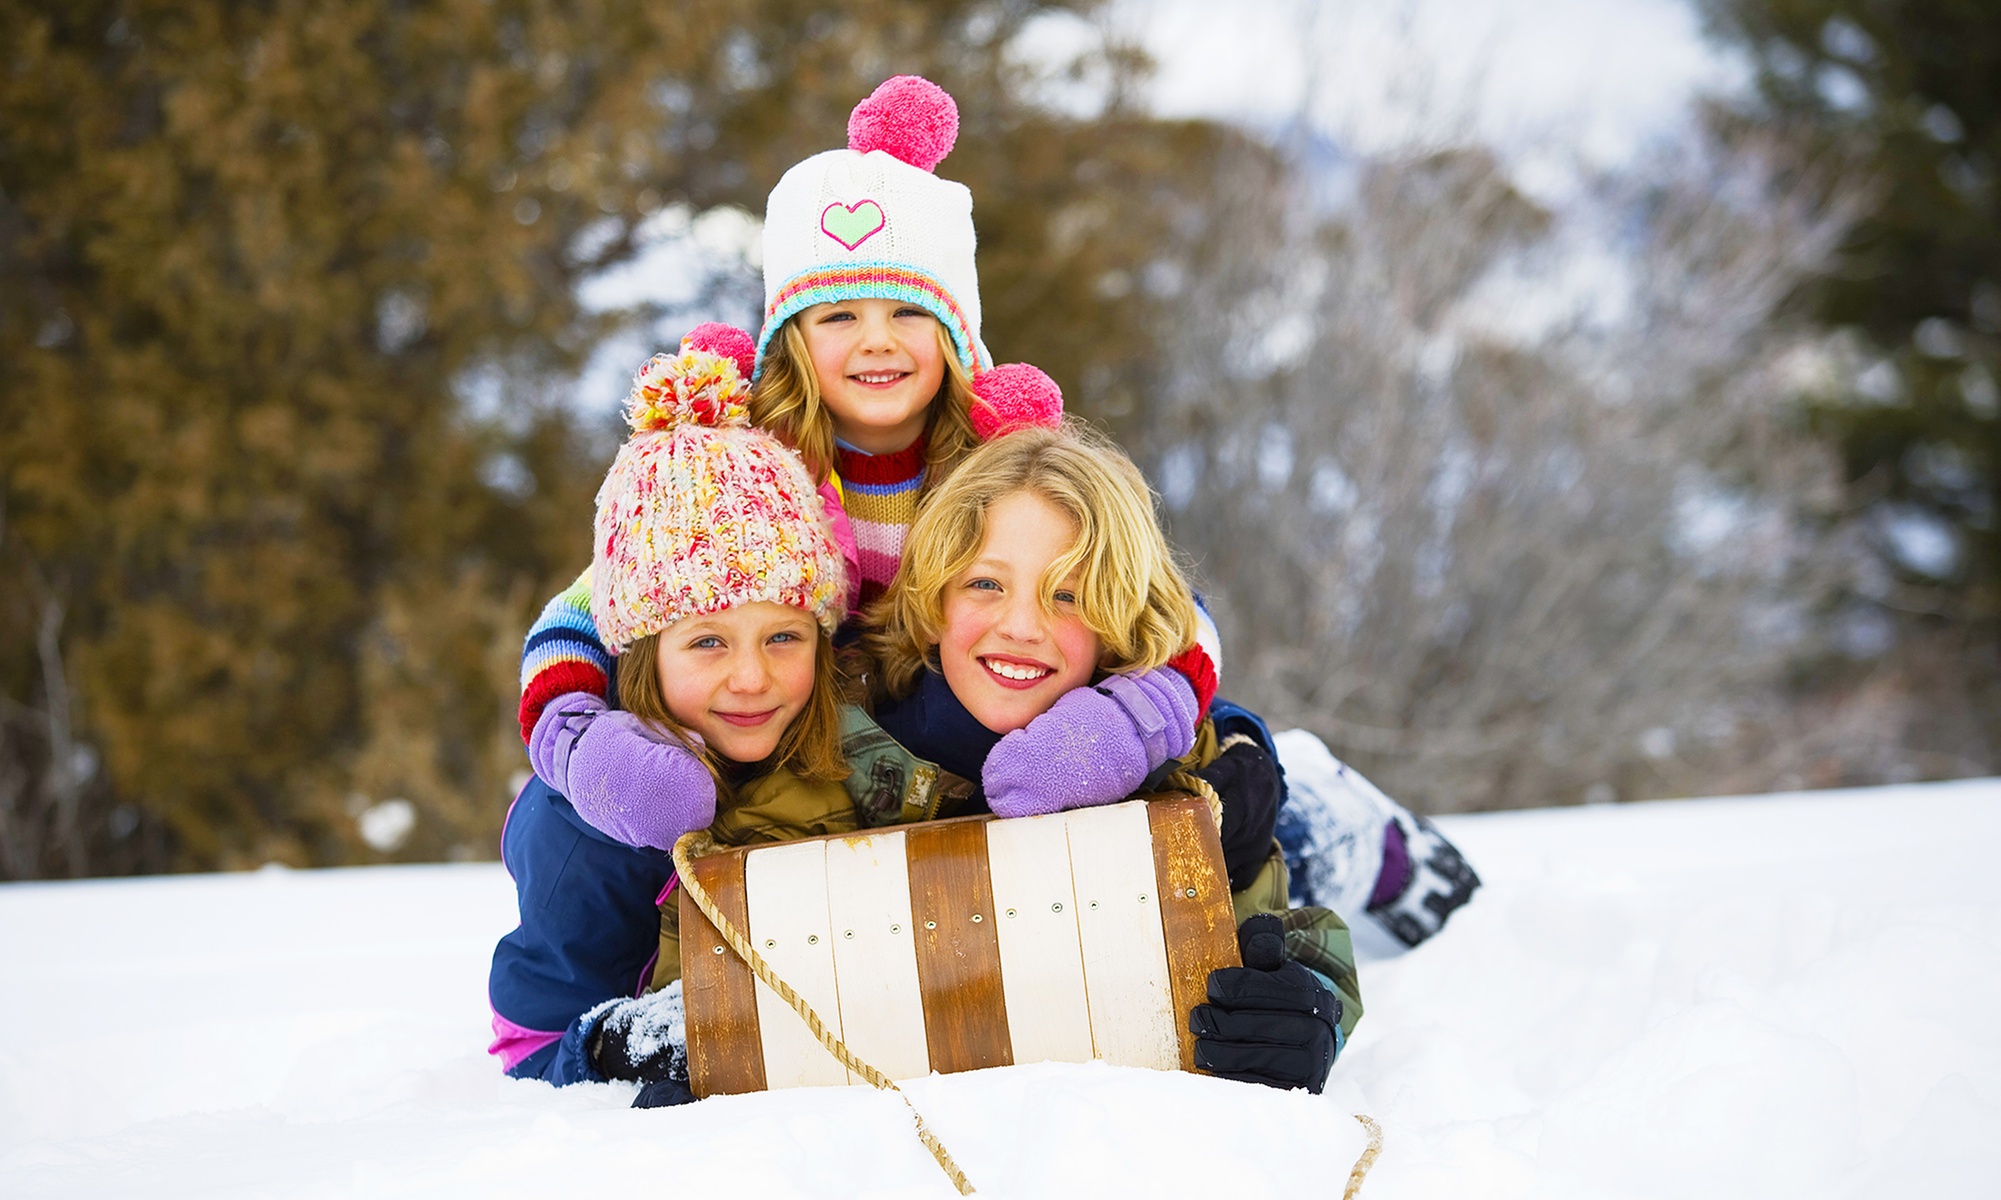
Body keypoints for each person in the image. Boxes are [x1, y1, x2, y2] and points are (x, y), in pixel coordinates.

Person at [859, 421, 1357, 1094]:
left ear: (1114, 622)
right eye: (984, 584)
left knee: (1310, 834)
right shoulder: (844, 751)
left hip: (1293, 822)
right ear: (931, 600)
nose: (1022, 626)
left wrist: (1306, 1007)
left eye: (1067, 594)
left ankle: (1358, 824)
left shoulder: (1184, 770)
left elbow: (1281, 929)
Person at [488, 330, 859, 1105]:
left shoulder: (846, 747)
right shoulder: (584, 830)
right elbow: (532, 1050)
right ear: (641, 655)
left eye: (784, 636)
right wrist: (618, 1047)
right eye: (708, 641)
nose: (752, 678)